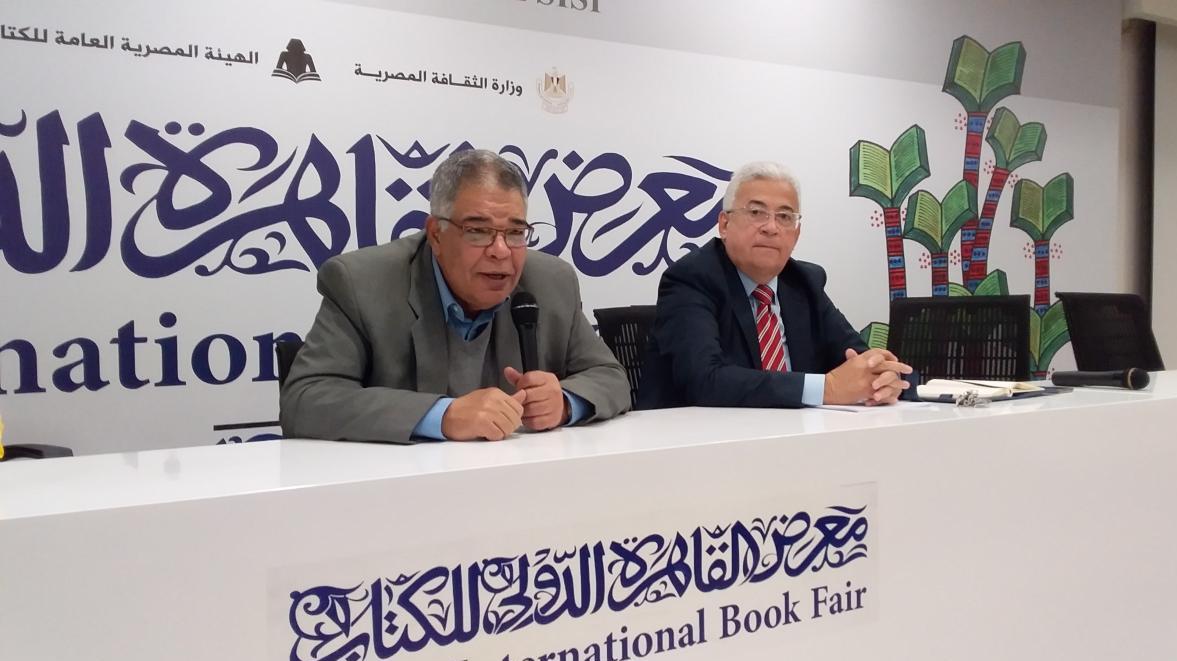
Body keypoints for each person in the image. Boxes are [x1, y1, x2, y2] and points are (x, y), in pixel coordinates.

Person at [281, 149, 630, 443]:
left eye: (514, 232)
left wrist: (564, 403)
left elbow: (611, 377)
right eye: (478, 231)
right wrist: (441, 415)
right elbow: (305, 400)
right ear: (436, 234)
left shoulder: (552, 282)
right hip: (400, 490)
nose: (500, 251)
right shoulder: (361, 283)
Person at [637, 161, 912, 409]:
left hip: (798, 438)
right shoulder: (691, 279)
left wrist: (885, 381)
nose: (771, 227)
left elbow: (862, 360)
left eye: (784, 217)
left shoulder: (804, 282)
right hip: (699, 441)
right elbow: (704, 380)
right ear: (724, 224)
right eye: (756, 212)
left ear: (797, 233)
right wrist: (827, 388)